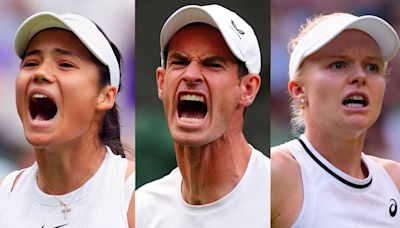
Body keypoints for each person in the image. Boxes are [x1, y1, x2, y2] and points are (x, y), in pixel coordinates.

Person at [135, 4, 270, 228]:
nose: (191, 74)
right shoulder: (142, 211)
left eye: (213, 64)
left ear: (248, 89)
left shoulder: (279, 200)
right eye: (179, 62)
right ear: (161, 82)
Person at [0, 12, 135, 227]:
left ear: (105, 96)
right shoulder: (4, 197)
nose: (40, 73)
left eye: (65, 64)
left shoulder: (136, 196)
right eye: (31, 63)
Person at [271, 12, 400, 227]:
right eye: (339, 64)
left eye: (372, 66)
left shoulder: (395, 180)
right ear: (299, 90)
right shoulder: (274, 173)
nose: (361, 76)